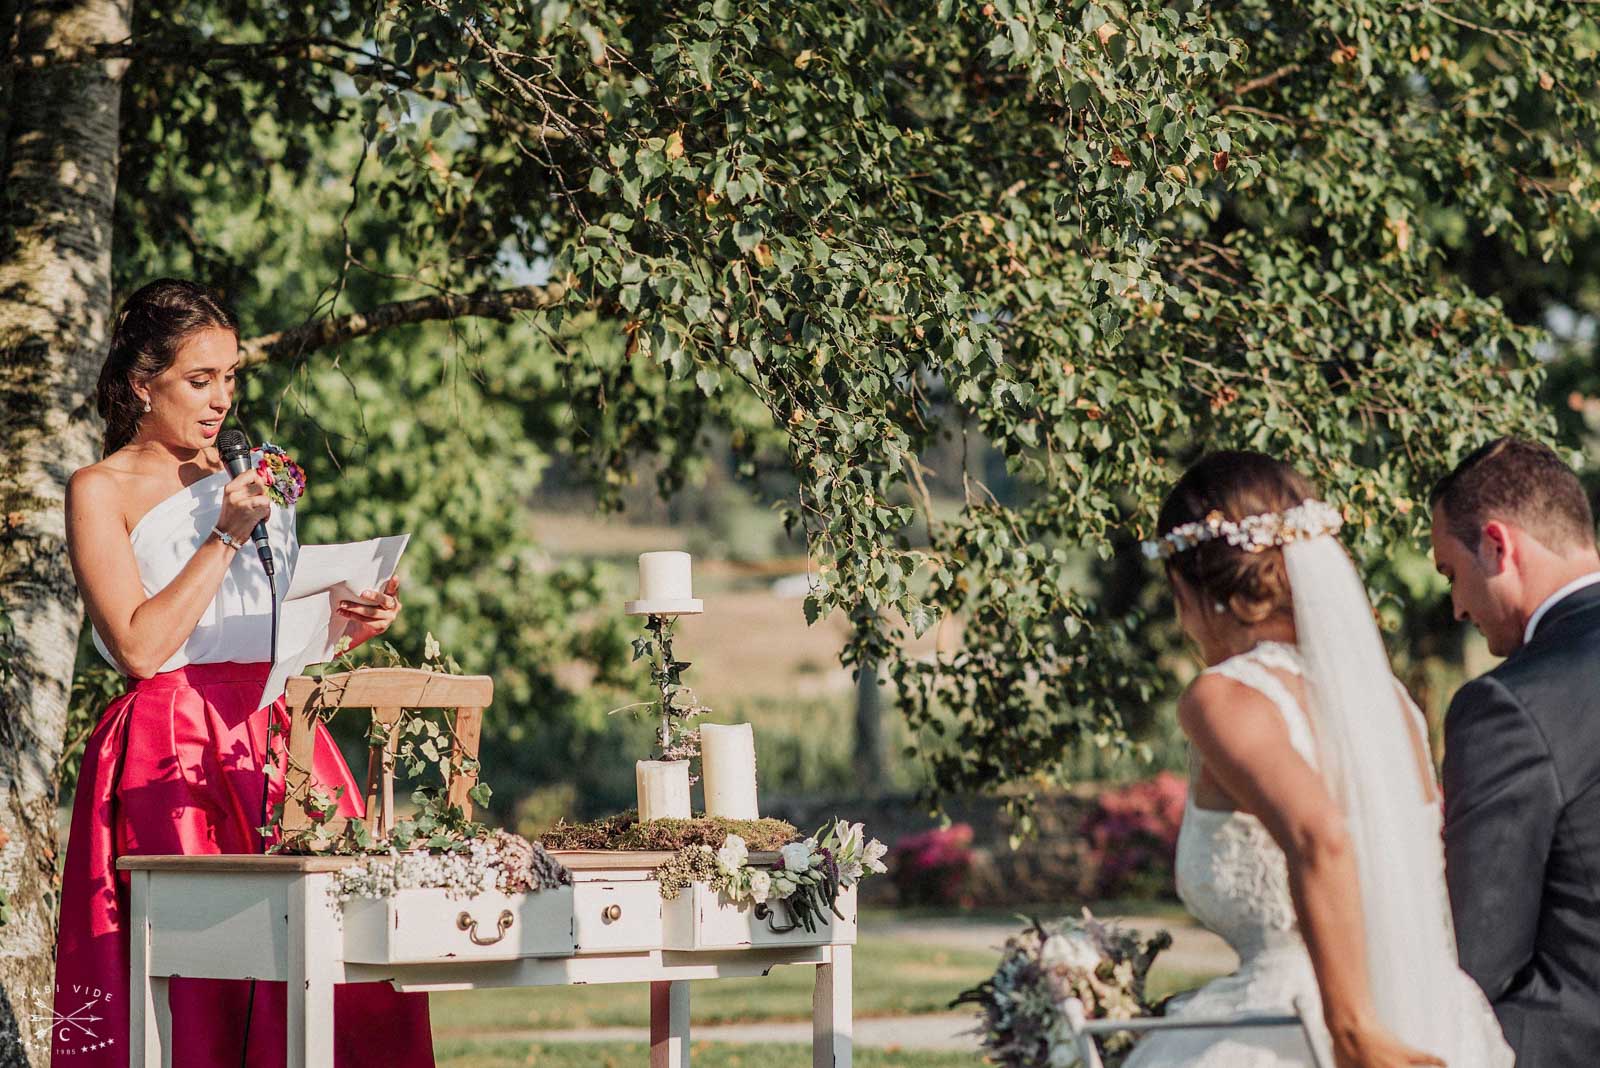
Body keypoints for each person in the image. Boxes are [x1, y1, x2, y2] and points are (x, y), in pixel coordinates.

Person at [52, 278, 434, 1066]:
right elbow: (140, 646)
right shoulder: (100, 489)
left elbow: (261, 628)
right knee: (201, 971)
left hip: (279, 734)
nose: (222, 398)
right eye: (200, 379)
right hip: (169, 745)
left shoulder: (256, 474)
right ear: (140, 383)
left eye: (231, 377)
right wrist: (224, 532)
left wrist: (347, 624)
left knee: (334, 954)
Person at [1123, 451, 1510, 1068]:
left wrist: (1351, 1029)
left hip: (1304, 1029)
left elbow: (1321, 835)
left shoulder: (1224, 697)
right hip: (1434, 1015)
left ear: (1189, 588)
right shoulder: (1389, 704)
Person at [1430, 437, 1600, 1067]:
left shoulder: (1508, 704)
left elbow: (1478, 956)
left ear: (1498, 546)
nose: (1456, 605)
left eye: (1451, 572)